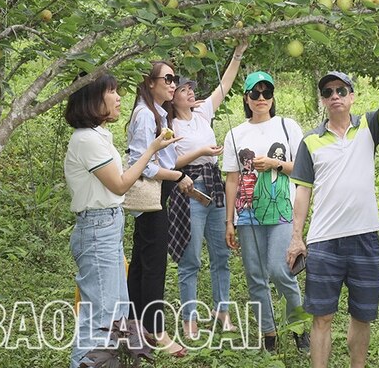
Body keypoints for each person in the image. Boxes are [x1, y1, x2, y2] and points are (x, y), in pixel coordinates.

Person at [287, 69, 379, 368]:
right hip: (324, 241)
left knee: (362, 315)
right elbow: (302, 193)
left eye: (341, 91)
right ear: (323, 101)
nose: (335, 97)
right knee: (322, 316)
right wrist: (296, 237)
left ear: (352, 96)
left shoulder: (368, 126)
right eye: (328, 92)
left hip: (365, 238)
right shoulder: (310, 142)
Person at [63, 73, 176, 367]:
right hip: (98, 228)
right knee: (101, 318)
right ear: (92, 99)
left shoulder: (99, 136)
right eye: (112, 92)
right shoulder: (86, 140)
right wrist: (152, 149)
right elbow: (120, 184)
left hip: (108, 227)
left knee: (114, 315)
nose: (118, 98)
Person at [222, 71, 309, 352]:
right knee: (255, 276)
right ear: (246, 98)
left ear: (273, 97)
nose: (261, 98)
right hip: (247, 214)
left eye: (266, 93)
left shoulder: (287, 126)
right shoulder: (235, 134)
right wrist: (229, 222)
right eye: (255, 93)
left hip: (283, 211)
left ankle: (298, 325)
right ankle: (268, 333)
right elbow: (232, 179)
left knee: (279, 269)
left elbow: (303, 168)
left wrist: (274, 163)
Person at [167, 41, 248, 339]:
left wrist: (238, 52)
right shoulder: (170, 124)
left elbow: (225, 84)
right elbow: (169, 161)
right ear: (172, 98)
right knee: (190, 259)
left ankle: (221, 311)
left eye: (191, 88)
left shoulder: (203, 114)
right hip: (188, 187)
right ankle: (189, 318)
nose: (190, 92)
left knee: (221, 254)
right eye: (183, 89)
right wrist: (200, 150)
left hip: (213, 184)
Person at [126, 62, 194, 357]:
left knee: (143, 262)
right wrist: (178, 176)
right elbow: (144, 164)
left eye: (174, 78)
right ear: (150, 82)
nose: (172, 83)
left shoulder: (157, 112)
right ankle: (155, 330)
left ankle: (134, 326)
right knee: (153, 264)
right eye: (167, 78)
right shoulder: (145, 115)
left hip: (156, 197)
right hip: (151, 197)